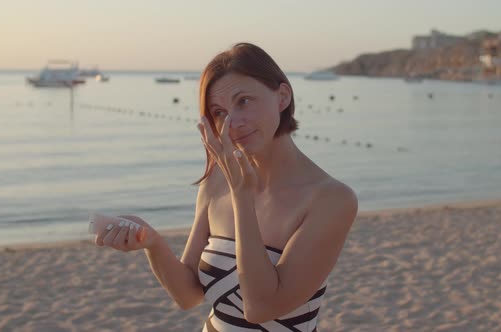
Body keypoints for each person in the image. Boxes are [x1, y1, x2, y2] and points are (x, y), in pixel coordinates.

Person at [94, 42, 358, 331]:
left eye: (243, 101)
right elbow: (188, 295)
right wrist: (153, 244)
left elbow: (260, 307)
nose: (233, 122)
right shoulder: (216, 182)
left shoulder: (330, 199)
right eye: (219, 112)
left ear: (282, 97)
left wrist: (241, 196)